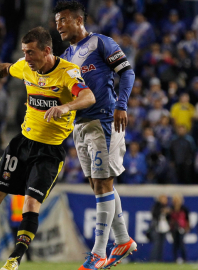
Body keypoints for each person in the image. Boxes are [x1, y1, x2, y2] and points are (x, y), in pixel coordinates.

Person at [0, 26, 96, 270]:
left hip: (49, 151)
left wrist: (66, 107)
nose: (26, 58)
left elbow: (88, 97)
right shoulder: (27, 67)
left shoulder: (68, 73)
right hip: (22, 144)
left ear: (47, 51)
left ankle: (14, 260)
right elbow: (5, 67)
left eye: (30, 53)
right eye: (24, 52)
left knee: (30, 203)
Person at [53, 1, 137, 269]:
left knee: (102, 184)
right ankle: (122, 239)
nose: (58, 25)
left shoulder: (101, 43)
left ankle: (99, 253)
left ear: (78, 20)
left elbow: (127, 72)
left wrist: (121, 105)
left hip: (103, 120)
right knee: (98, 185)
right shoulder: (66, 54)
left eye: (63, 20)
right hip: (80, 125)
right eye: (56, 21)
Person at [169, 194, 190, 263]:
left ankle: (184, 259)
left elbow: (187, 219)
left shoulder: (184, 209)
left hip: (182, 228)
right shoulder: (171, 209)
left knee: (181, 244)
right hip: (174, 229)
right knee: (175, 244)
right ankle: (175, 259)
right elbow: (169, 219)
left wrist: (187, 227)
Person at [149, 194, 170, 262]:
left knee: (162, 245)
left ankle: (160, 259)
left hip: (164, 228)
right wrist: (162, 211)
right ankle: (153, 259)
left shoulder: (167, 207)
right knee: (156, 245)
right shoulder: (156, 206)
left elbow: (169, 218)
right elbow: (154, 214)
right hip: (157, 228)